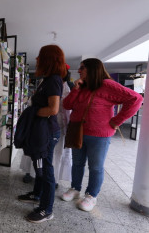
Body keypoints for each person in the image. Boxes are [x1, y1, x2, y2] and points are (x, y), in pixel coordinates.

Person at [61, 58, 143, 212]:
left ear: (93, 69)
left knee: (96, 166)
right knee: (77, 163)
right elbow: (67, 105)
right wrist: (76, 89)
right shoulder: (82, 86)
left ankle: (91, 195)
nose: (79, 71)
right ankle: (75, 188)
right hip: (78, 131)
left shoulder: (107, 85)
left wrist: (116, 121)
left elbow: (136, 99)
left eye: (82, 68)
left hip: (99, 135)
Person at [18, 45, 67, 223]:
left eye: (40, 57)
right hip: (43, 131)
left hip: (47, 132)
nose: (37, 59)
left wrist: (32, 113)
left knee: (45, 169)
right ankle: (36, 195)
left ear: (48, 59)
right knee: (39, 164)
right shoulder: (48, 80)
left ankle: (47, 209)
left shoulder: (54, 80)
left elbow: (53, 109)